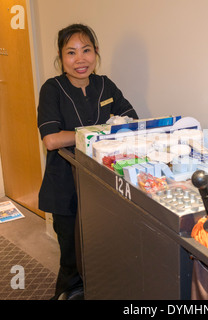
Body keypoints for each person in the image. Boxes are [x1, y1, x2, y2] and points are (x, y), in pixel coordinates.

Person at [37, 23, 139, 300]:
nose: (80, 59)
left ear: (96, 52)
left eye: (86, 50)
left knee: (102, 250)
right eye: (71, 52)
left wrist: (116, 129)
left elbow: (133, 122)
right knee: (72, 257)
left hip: (103, 183)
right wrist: (104, 130)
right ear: (60, 57)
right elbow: (52, 140)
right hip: (65, 186)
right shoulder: (52, 89)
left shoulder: (106, 85)